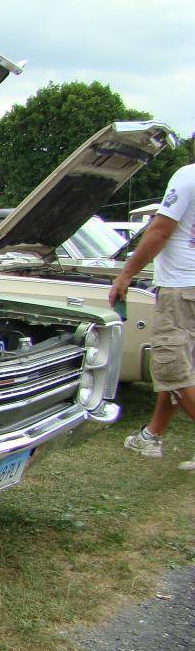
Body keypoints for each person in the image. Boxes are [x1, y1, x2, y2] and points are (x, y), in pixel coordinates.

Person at [110, 163, 195, 468]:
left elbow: (160, 231)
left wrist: (126, 274)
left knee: (172, 369)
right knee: (184, 371)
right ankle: (151, 436)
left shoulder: (188, 176)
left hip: (181, 288)